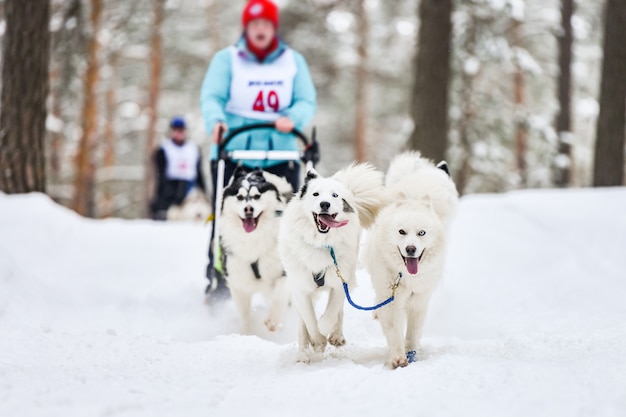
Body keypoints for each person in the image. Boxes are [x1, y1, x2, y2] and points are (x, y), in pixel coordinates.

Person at [199, 0, 317, 295]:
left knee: (286, 220)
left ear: (273, 27)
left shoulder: (293, 61)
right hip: (234, 153)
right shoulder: (227, 59)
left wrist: (294, 118)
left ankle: (287, 283)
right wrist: (215, 121)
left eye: (265, 24)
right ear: (247, 28)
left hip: (282, 153)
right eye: (254, 25)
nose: (260, 30)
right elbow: (211, 97)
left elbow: (306, 100)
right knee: (228, 220)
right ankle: (221, 281)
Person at [150, 116, 207, 221]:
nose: (179, 133)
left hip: (190, 190)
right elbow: (160, 176)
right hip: (170, 190)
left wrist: (205, 193)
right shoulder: (164, 149)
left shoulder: (193, 149)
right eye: (176, 130)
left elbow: (199, 173)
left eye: (181, 130)